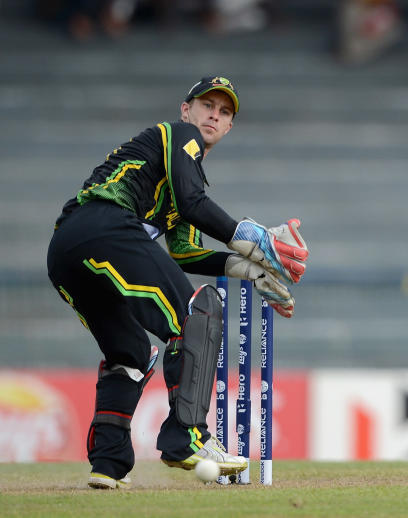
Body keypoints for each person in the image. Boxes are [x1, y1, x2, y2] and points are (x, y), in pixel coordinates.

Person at [46, 76, 309, 489]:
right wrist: (256, 239)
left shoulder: (184, 176)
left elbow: (185, 251)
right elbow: (193, 202)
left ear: (227, 128)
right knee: (199, 312)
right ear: (186, 110)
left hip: (66, 251)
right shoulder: (177, 135)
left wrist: (250, 270)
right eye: (207, 105)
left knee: (130, 353)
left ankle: (108, 464)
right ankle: (187, 436)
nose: (214, 115)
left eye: (223, 113)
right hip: (104, 224)